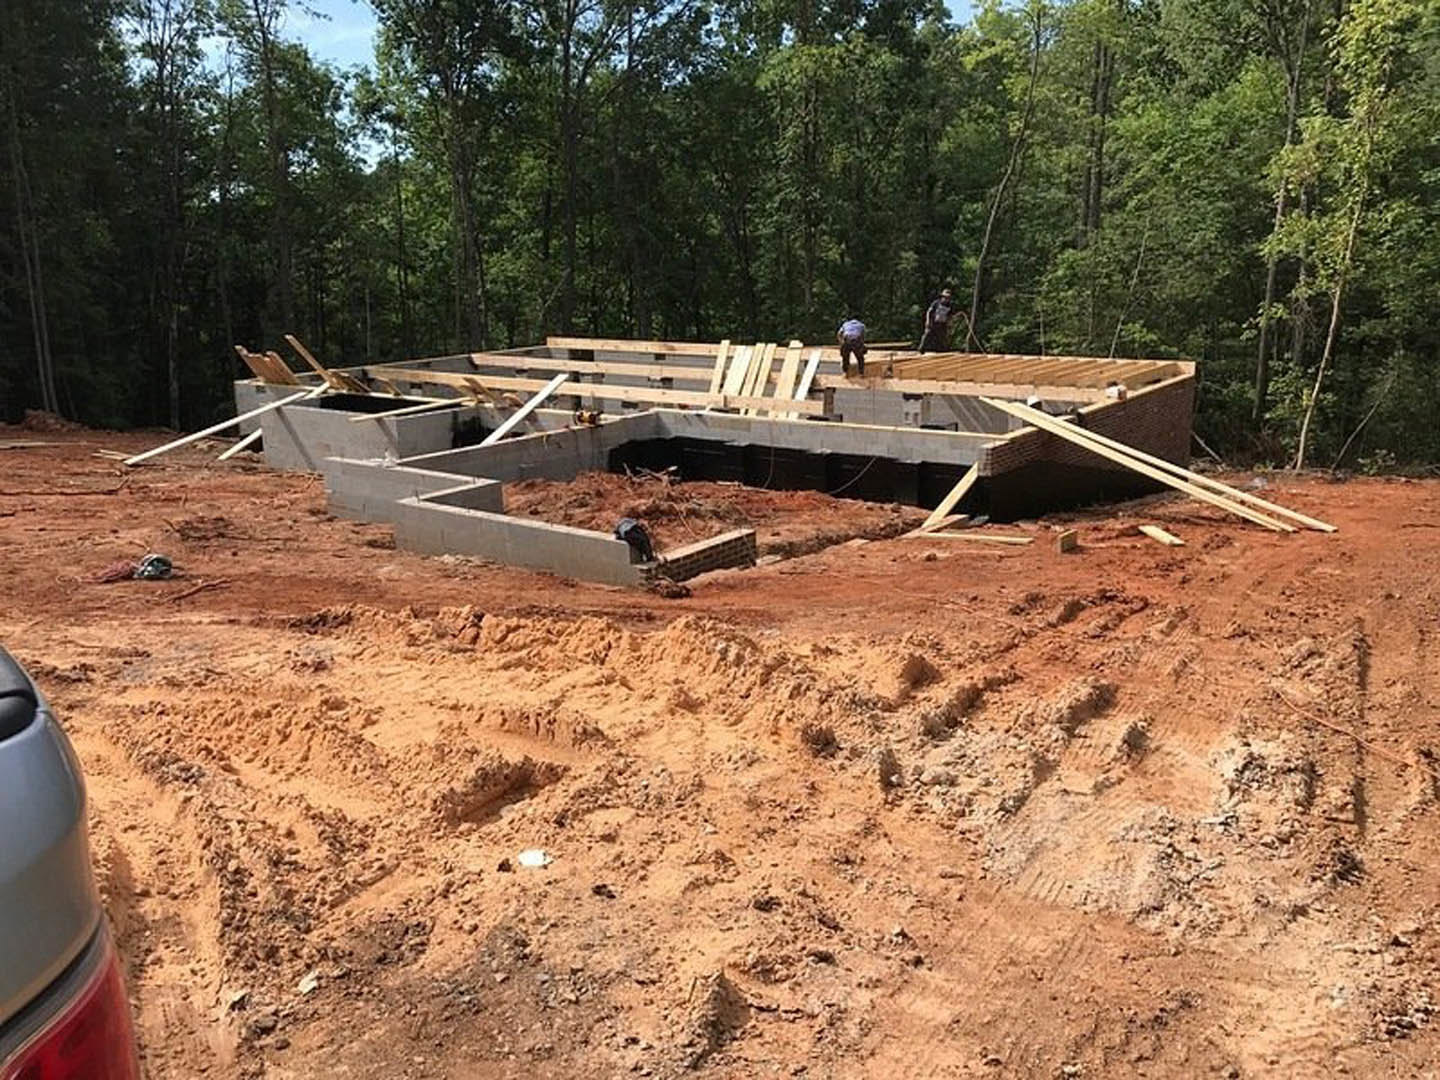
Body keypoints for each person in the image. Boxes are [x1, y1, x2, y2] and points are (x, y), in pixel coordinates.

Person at [919, 288, 955, 353]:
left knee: (942, 338)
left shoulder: (950, 305)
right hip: (933, 322)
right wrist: (927, 321)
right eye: (945, 297)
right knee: (927, 335)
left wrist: (950, 324)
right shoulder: (936, 303)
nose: (946, 299)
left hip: (942, 324)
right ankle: (921, 349)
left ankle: (942, 351)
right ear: (942, 297)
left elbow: (950, 316)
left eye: (948, 298)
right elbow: (929, 312)